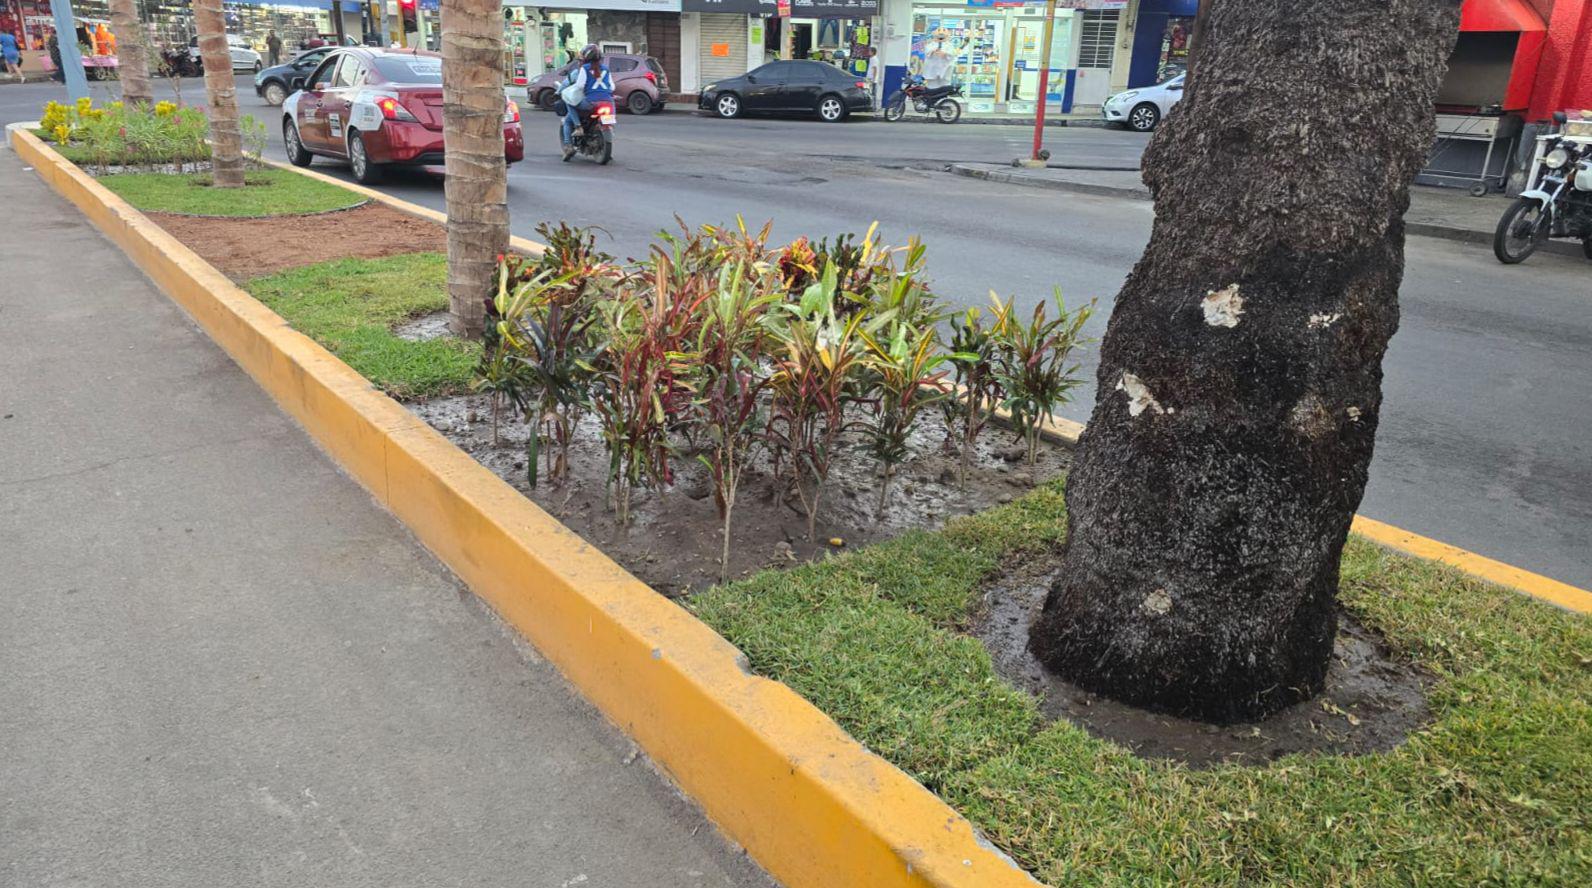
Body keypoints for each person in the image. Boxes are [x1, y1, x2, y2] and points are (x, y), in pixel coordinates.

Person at [559, 44, 612, 161]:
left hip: (590, 103)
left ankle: (576, 131)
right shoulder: (606, 69)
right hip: (608, 103)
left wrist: (574, 91)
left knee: (569, 105)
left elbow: (579, 86)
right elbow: (612, 87)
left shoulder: (584, 69)